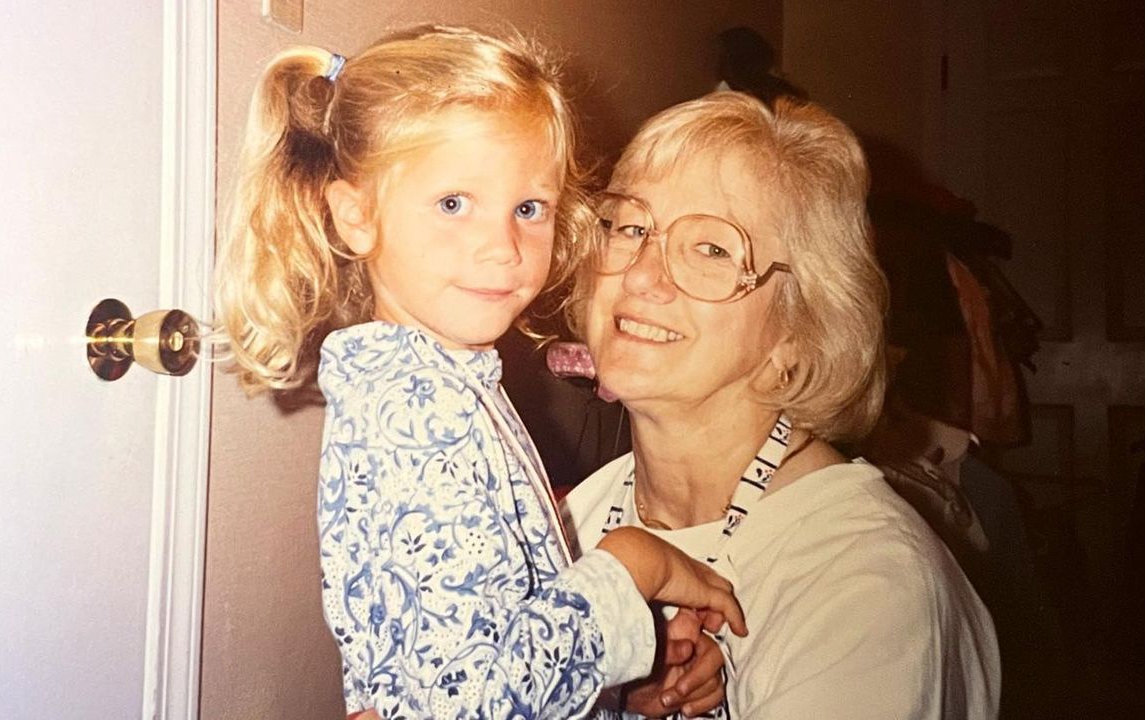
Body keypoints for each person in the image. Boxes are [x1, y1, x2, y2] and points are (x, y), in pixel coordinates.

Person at [214, 26, 747, 720]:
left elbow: (494, 636)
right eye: (453, 204)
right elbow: (481, 701)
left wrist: (624, 672)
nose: (503, 247)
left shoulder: (445, 382)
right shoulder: (419, 414)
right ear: (357, 217)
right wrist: (632, 564)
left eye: (528, 209)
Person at [563, 91, 1001, 718]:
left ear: (799, 328)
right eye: (631, 227)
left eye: (713, 249)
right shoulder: (578, 522)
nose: (639, 275)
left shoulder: (864, 586)